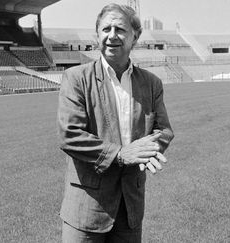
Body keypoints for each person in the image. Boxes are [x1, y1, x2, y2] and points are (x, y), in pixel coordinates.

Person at [57, 3, 174, 242]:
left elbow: (163, 130)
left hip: (130, 207)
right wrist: (120, 154)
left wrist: (150, 150)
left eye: (120, 29)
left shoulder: (151, 83)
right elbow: (70, 134)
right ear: (97, 35)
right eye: (105, 29)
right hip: (86, 209)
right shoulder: (76, 78)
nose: (112, 35)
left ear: (135, 37)